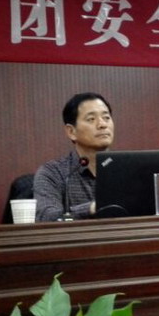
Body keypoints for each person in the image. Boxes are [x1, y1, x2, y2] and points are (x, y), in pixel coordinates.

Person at [34, 92, 114, 221]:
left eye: (106, 117)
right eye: (91, 119)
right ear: (71, 131)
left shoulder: (128, 170)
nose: (102, 124)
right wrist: (91, 208)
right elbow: (46, 217)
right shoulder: (54, 173)